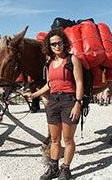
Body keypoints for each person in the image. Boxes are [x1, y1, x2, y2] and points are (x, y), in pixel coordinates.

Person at [24, 28, 84, 180]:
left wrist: (78, 103)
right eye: (53, 44)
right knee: (55, 139)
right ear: (49, 47)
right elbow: (50, 84)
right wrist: (34, 95)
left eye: (59, 43)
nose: (57, 46)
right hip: (53, 102)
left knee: (68, 139)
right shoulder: (50, 63)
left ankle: (66, 169)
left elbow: (79, 82)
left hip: (69, 101)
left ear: (64, 43)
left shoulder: (73, 60)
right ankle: (53, 168)